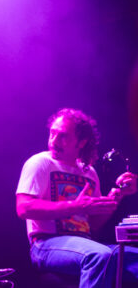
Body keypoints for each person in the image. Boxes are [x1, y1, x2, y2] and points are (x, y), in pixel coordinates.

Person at [16, 107, 138, 287]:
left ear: (82, 142)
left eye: (63, 136)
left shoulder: (89, 172)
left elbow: (93, 224)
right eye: (52, 133)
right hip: (45, 244)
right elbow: (24, 208)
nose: (54, 141)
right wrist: (76, 206)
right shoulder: (40, 163)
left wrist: (118, 195)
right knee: (99, 255)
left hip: (83, 244)